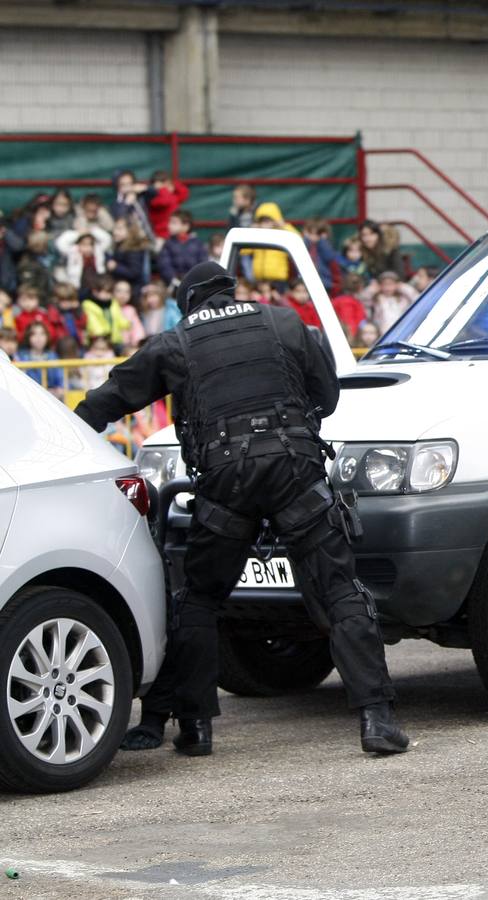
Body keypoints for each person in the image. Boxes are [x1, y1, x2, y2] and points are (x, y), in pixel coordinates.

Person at [73, 261, 409, 758]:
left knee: (201, 598)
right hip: (295, 472)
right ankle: (377, 720)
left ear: (190, 302)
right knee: (339, 590)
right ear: (232, 291)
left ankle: (195, 728)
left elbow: (107, 400)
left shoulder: (176, 341)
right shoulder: (285, 322)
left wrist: (69, 440)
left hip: (227, 482)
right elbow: (328, 397)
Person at [156, 210, 209, 285]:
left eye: (174, 223)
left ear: (186, 226)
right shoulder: (168, 244)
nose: (169, 226)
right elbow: (165, 265)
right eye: (170, 222)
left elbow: (203, 263)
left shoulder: (198, 244)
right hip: (174, 285)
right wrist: (173, 280)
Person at [145, 170, 190, 240]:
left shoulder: (173, 196)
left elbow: (184, 193)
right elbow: (165, 201)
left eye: (168, 183)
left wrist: (174, 184)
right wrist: (163, 189)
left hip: (175, 234)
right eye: (163, 183)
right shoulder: (152, 199)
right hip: (161, 236)